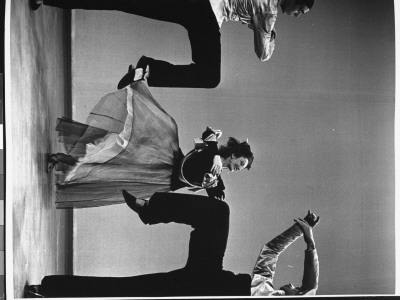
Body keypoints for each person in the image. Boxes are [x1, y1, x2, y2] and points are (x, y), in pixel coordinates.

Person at [24, 192, 319, 297]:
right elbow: (271, 249)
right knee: (218, 213)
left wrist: (310, 245)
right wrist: (300, 230)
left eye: (295, 290)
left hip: (195, 294)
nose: (292, 286)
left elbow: (310, 287)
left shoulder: (287, 297)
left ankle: (47, 289)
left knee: (126, 290)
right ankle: (151, 210)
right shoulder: (266, 285)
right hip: (207, 277)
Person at [49, 81, 253, 208]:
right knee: (115, 154)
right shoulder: (213, 149)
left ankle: (61, 162)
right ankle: (62, 159)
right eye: (241, 163)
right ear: (234, 154)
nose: (237, 169)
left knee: (112, 173)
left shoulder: (217, 180)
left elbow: (216, 195)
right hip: (164, 160)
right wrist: (215, 154)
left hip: (161, 182)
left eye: (241, 168)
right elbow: (206, 136)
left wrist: (214, 184)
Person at [30, 0, 315, 88]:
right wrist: (269, 33)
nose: (298, 15)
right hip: (206, 13)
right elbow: (263, 53)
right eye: (301, 10)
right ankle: (147, 71)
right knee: (209, 77)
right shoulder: (270, 12)